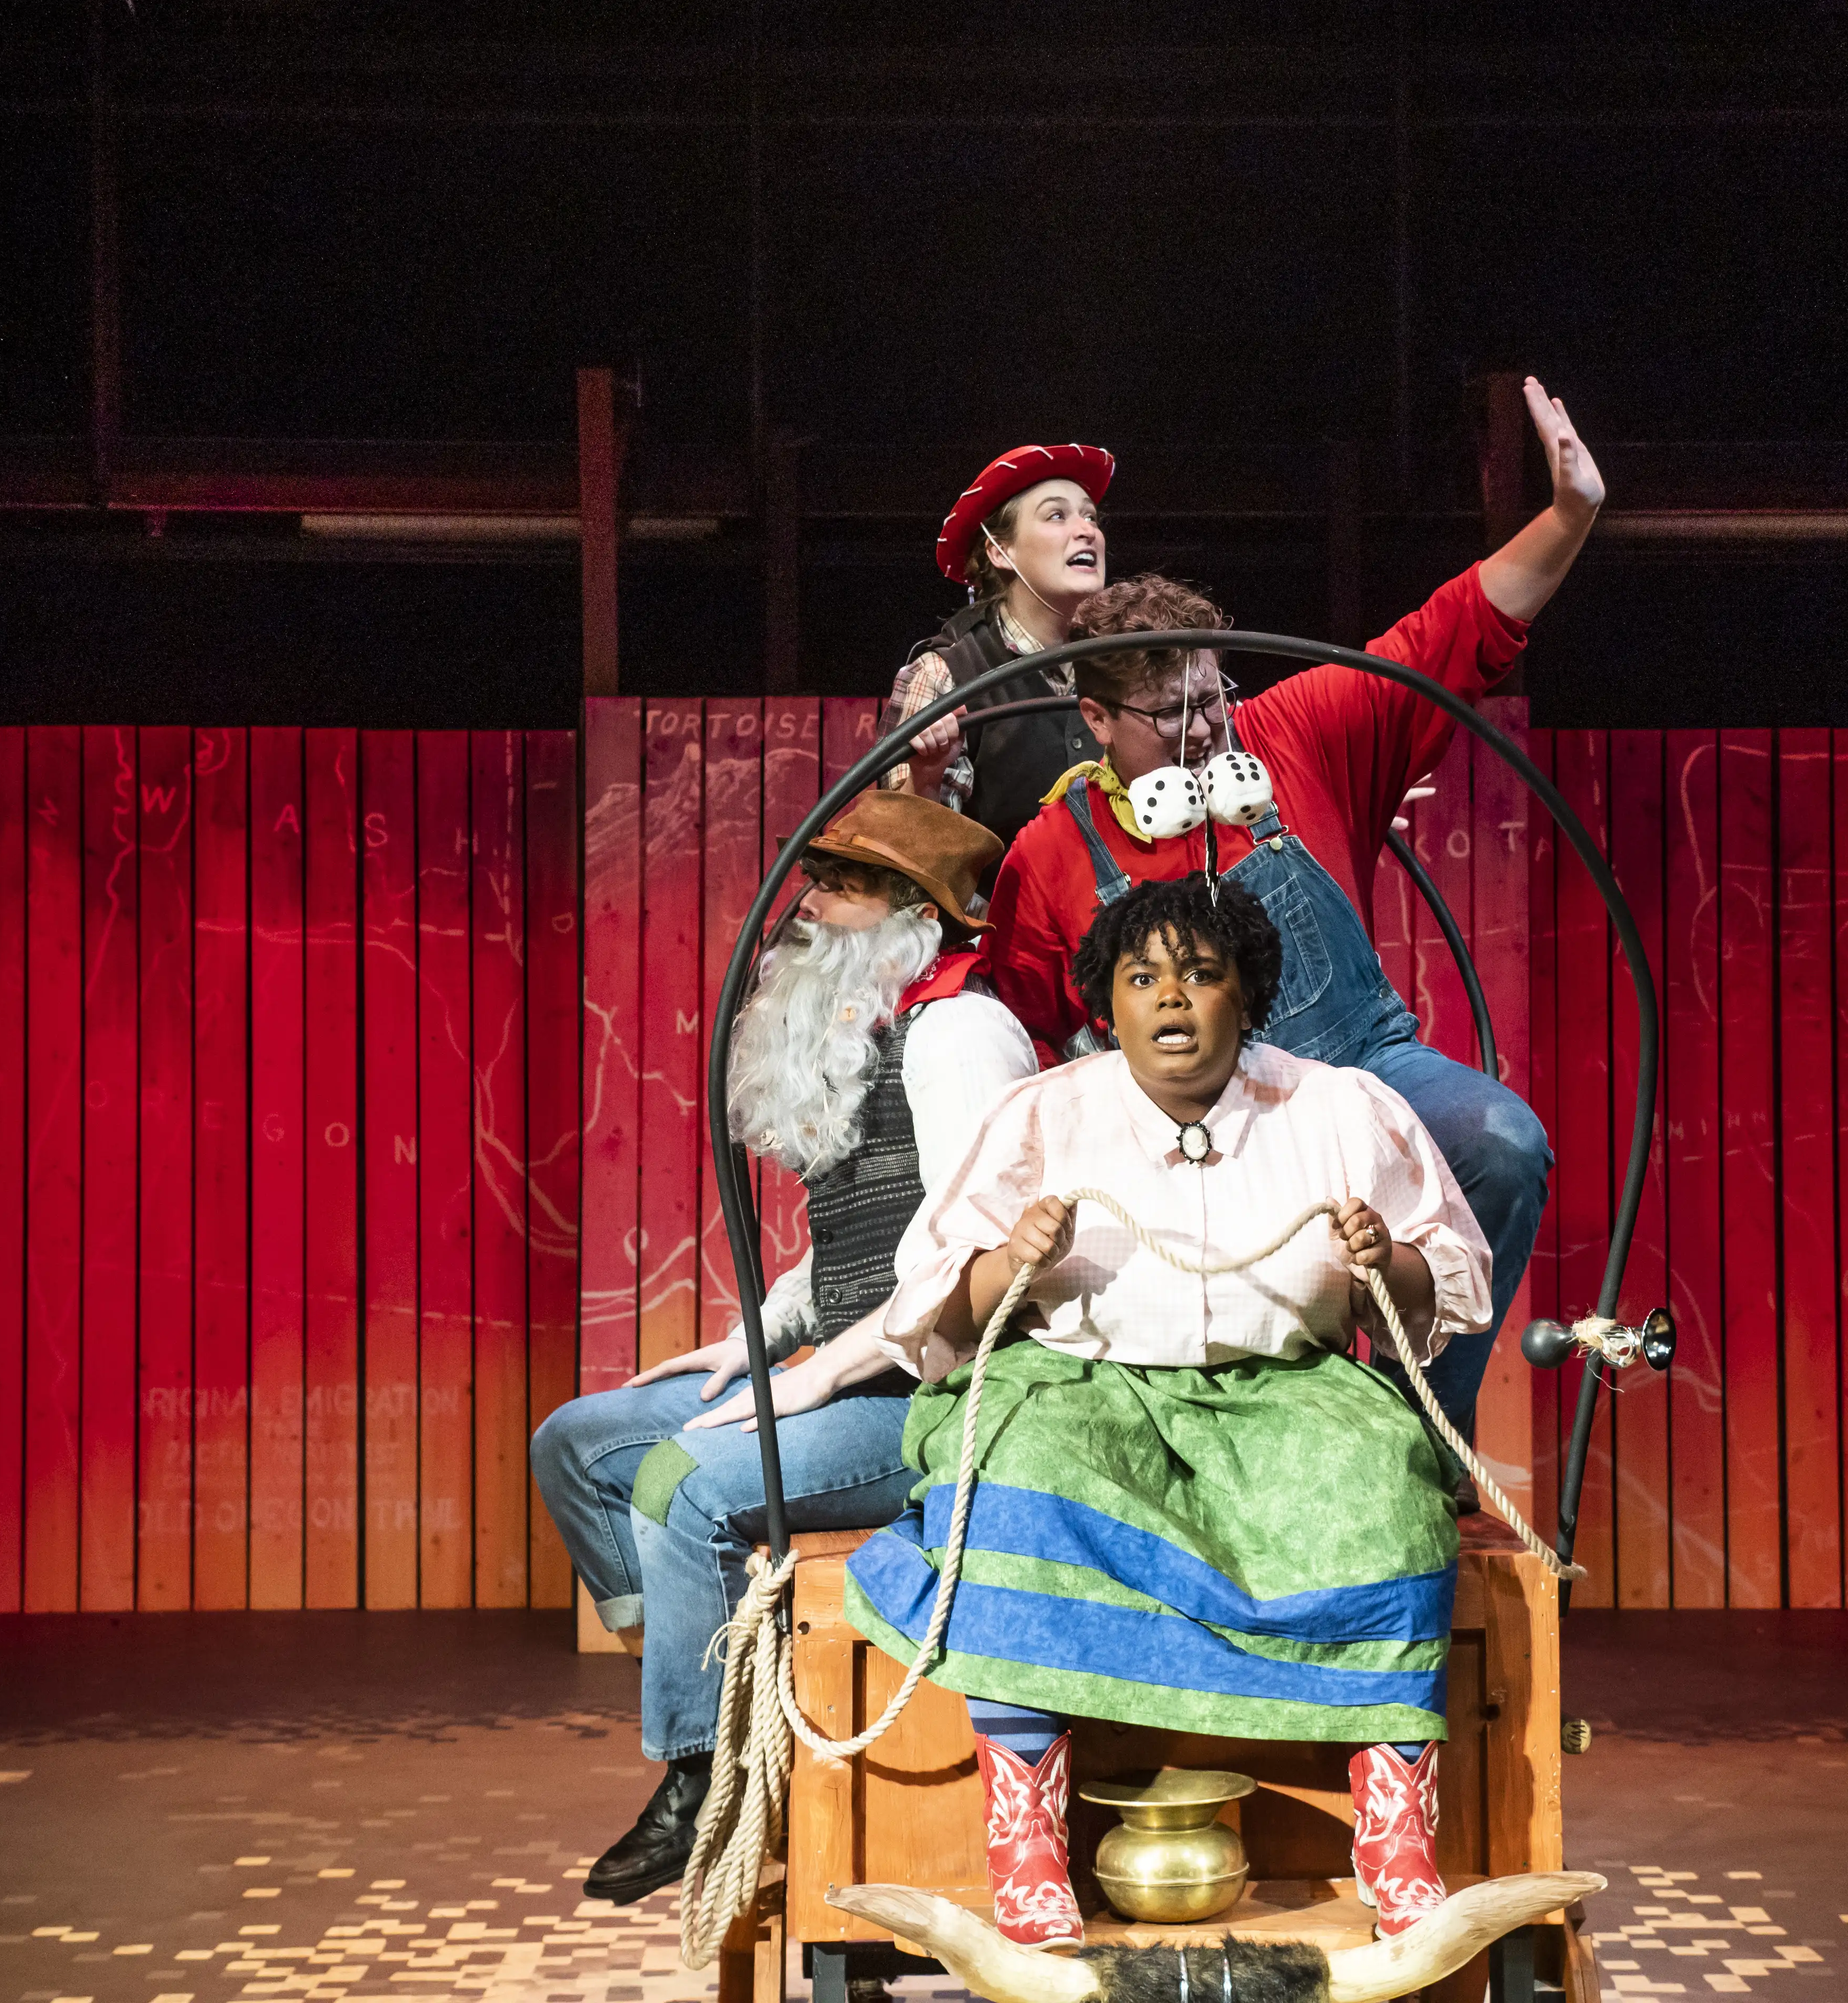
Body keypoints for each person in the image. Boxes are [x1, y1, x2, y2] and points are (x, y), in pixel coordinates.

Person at [845, 877, 1490, 1948]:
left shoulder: (1340, 1108)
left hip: (1287, 1391)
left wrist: (1392, 1263)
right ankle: (1026, 1841)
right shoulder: (1043, 1115)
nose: (1172, 998)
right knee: (1016, 1476)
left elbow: (1452, 1279)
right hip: (1090, 1390)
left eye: (1201, 973)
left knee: (1387, 1488)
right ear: (1109, 1003)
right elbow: (933, 1308)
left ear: (1249, 995)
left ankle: (1393, 1838)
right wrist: (1013, 1262)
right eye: (1143, 978)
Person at [978, 377, 1603, 1447]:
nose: (1205, 734)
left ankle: (1416, 1435)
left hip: (1359, 1072)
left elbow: (1453, 631)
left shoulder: (1295, 733)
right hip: (1180, 1129)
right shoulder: (1051, 854)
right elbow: (1024, 1033)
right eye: (1170, 715)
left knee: (1501, 1142)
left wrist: (1572, 515)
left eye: (1213, 699)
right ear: (1095, 718)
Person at [525, 790, 1036, 1906]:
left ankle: (699, 1780)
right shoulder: (869, 1032)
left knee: (687, 1484)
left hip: (928, 1396)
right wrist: (752, 1342)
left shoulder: (960, 1035)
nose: (812, 904)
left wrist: (815, 1375)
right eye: (819, 879)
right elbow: (858, 1242)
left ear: (917, 916)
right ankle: (712, 1692)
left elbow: (969, 1259)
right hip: (842, 1368)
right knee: (581, 1444)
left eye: (845, 887)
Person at [881, 442, 1118, 850]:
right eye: (1057, 515)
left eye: (1090, 517)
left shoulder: (1127, 662)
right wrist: (926, 777)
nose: (1087, 531)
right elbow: (903, 857)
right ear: (1000, 551)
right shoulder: (944, 675)